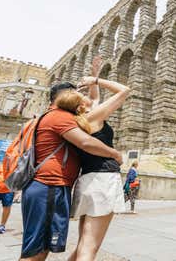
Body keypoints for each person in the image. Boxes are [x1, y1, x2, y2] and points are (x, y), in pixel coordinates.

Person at [19, 81, 125, 261]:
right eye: (78, 93)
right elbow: (86, 142)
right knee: (37, 253)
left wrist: (95, 78)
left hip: (64, 184)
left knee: (55, 247)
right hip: (52, 185)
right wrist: (114, 153)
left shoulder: (67, 119)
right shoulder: (61, 117)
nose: (83, 96)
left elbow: (94, 99)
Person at [56, 68, 130, 261]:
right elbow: (124, 90)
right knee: (90, 248)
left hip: (87, 181)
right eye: (82, 95)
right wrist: (96, 79)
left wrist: (92, 82)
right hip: (103, 181)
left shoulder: (79, 121)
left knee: (83, 244)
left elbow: (94, 98)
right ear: (81, 105)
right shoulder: (93, 118)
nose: (87, 95)